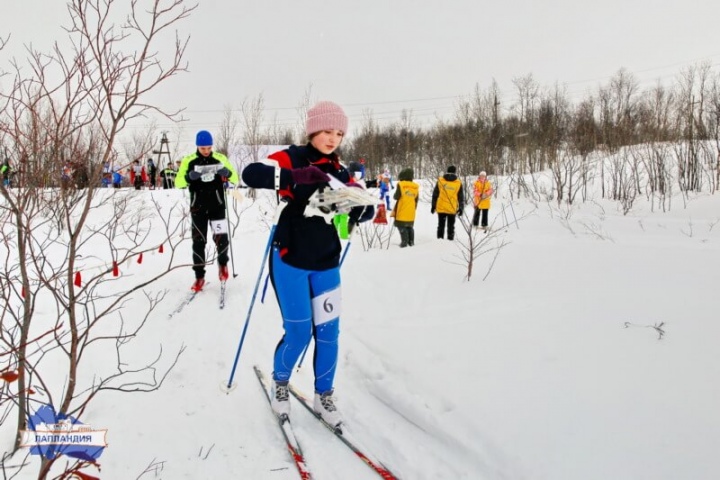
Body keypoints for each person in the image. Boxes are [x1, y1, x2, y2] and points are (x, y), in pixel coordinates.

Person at [241, 101, 374, 428]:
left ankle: (324, 395)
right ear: (313, 129)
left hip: (326, 262)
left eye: (339, 133)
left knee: (329, 334)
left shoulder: (340, 171)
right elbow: (250, 173)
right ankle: (281, 384)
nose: (333, 138)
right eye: (327, 131)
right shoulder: (292, 156)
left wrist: (360, 207)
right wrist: (297, 177)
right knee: (299, 333)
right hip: (290, 259)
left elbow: (362, 207)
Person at [175, 130, 239, 291]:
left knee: (221, 239)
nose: (206, 151)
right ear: (197, 146)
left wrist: (227, 173)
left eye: (209, 147)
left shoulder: (220, 158)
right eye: (203, 148)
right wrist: (190, 177)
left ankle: (223, 264)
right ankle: (199, 276)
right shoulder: (189, 160)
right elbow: (178, 182)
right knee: (198, 242)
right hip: (198, 209)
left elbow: (235, 178)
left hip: (217, 207)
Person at [431, 165, 464, 240]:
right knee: (451, 226)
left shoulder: (440, 181)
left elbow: (435, 194)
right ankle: (450, 239)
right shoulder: (458, 183)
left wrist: (433, 206)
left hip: (441, 207)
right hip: (452, 208)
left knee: (441, 225)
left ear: (447, 171)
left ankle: (440, 239)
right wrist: (461, 208)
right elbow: (461, 197)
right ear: (455, 172)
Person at [392, 167, 419, 247]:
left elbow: (396, 197)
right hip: (411, 211)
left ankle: (404, 243)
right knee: (409, 226)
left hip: (402, 209)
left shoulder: (401, 185)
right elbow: (416, 200)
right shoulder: (415, 187)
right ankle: (411, 242)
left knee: (401, 225)